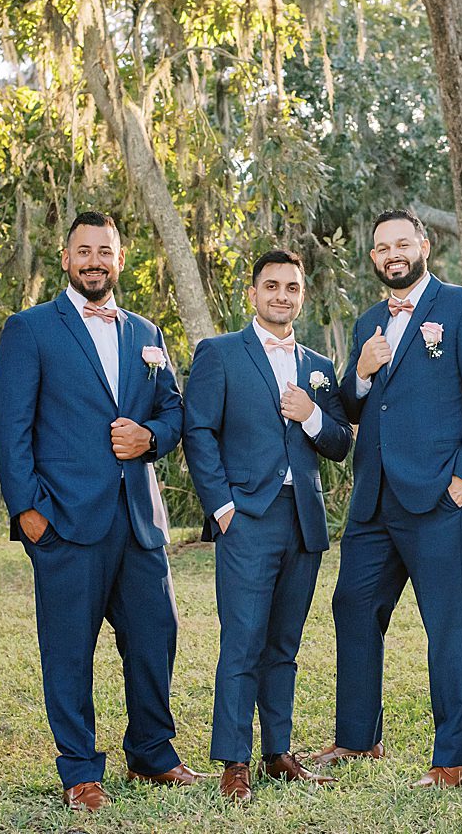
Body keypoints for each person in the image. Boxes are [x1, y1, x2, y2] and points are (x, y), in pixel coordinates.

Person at [0, 211, 205, 812]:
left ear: (119, 259)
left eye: (105, 251)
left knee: (154, 638)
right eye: (83, 251)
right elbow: (11, 430)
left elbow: (173, 411)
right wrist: (29, 513)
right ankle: (80, 770)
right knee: (68, 649)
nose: (94, 261)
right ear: (65, 259)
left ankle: (153, 754)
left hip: (139, 520)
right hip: (64, 521)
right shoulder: (31, 329)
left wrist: (151, 439)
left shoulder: (147, 333)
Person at [309, 209, 462, 789]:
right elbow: (351, 407)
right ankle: (357, 740)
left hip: (441, 498)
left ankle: (455, 756)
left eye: (403, 243)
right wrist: (361, 372)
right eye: (382, 247)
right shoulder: (370, 321)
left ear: (424, 245)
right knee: (352, 606)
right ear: (374, 258)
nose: (393, 254)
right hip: (374, 500)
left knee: (445, 621)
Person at [182, 249, 352, 803]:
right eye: (272, 286)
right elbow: (199, 433)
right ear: (252, 293)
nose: (282, 295)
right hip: (246, 518)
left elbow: (339, 443)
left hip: (302, 520)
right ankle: (234, 760)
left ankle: (278, 752)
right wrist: (222, 507)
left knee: (284, 644)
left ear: (302, 296)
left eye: (292, 288)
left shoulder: (318, 365)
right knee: (243, 642)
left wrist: (312, 415)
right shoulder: (221, 354)